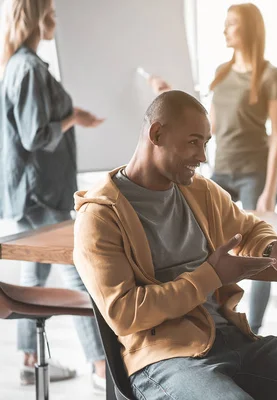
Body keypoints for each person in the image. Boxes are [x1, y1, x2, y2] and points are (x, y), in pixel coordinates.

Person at [72, 90, 277, 400]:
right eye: (194, 142)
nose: (203, 157)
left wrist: (271, 249)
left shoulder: (200, 191)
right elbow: (124, 313)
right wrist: (210, 276)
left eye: (205, 144)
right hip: (165, 360)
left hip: (234, 340)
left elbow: (249, 229)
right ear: (157, 133)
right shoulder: (99, 216)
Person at [147, 3, 277, 334]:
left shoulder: (269, 75)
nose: (225, 30)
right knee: (206, 241)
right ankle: (215, 315)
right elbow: (205, 122)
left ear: (249, 29)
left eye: (232, 24)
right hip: (220, 169)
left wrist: (269, 187)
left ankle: (255, 328)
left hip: (254, 172)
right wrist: (169, 95)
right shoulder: (222, 72)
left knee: (261, 250)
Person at [0, 0, 107, 390]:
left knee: (35, 273)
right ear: (39, 16)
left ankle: (29, 360)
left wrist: (71, 114)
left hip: (31, 190)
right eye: (54, 12)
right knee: (76, 270)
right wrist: (73, 118)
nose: (57, 20)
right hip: (40, 190)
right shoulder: (28, 68)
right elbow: (36, 136)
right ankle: (100, 367)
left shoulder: (21, 65)